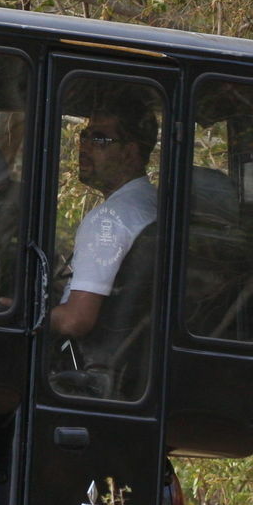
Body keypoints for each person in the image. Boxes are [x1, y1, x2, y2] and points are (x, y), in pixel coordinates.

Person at [48, 101, 157, 341]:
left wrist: (23, 313)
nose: (84, 148)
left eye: (99, 140)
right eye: (84, 136)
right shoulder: (150, 202)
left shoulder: (108, 219)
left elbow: (74, 320)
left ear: (130, 153)